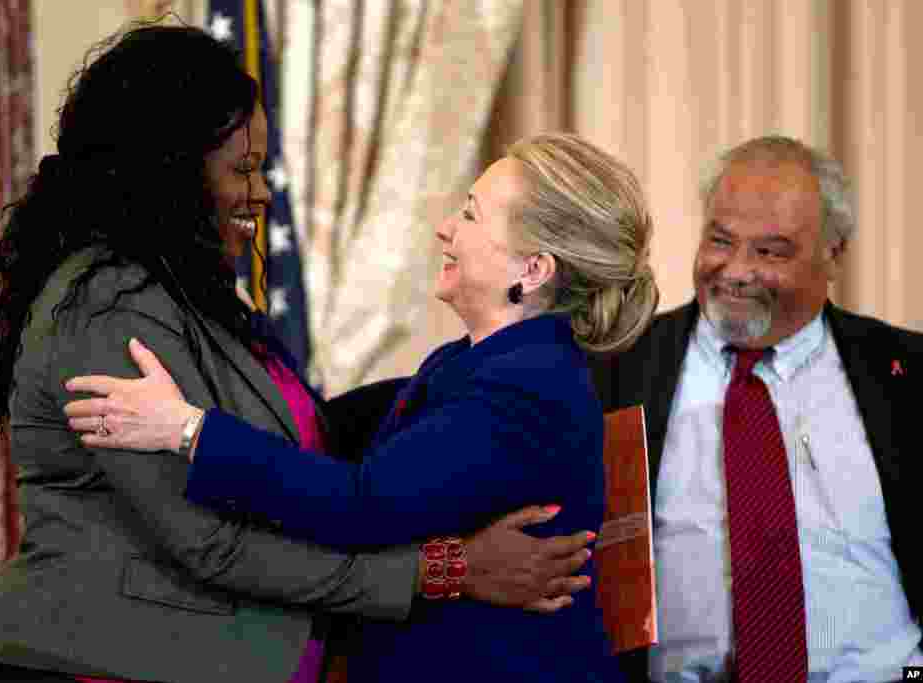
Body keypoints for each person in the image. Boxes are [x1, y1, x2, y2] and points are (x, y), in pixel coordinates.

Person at [0, 23, 598, 683]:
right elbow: (210, 540)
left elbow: (309, 430)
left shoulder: (190, 297)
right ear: (171, 170)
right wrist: (447, 569)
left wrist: (458, 397)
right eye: (242, 169)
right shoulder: (109, 304)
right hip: (97, 665)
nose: (263, 194)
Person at [63, 132, 660, 682]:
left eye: (472, 214)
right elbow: (337, 429)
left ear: (533, 270)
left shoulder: (525, 387)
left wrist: (185, 429)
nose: (445, 228)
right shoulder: (479, 361)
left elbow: (364, 504)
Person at [589, 136, 922, 683]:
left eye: (770, 252)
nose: (737, 271)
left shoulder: (909, 376)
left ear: (832, 255)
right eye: (720, 241)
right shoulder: (615, 370)